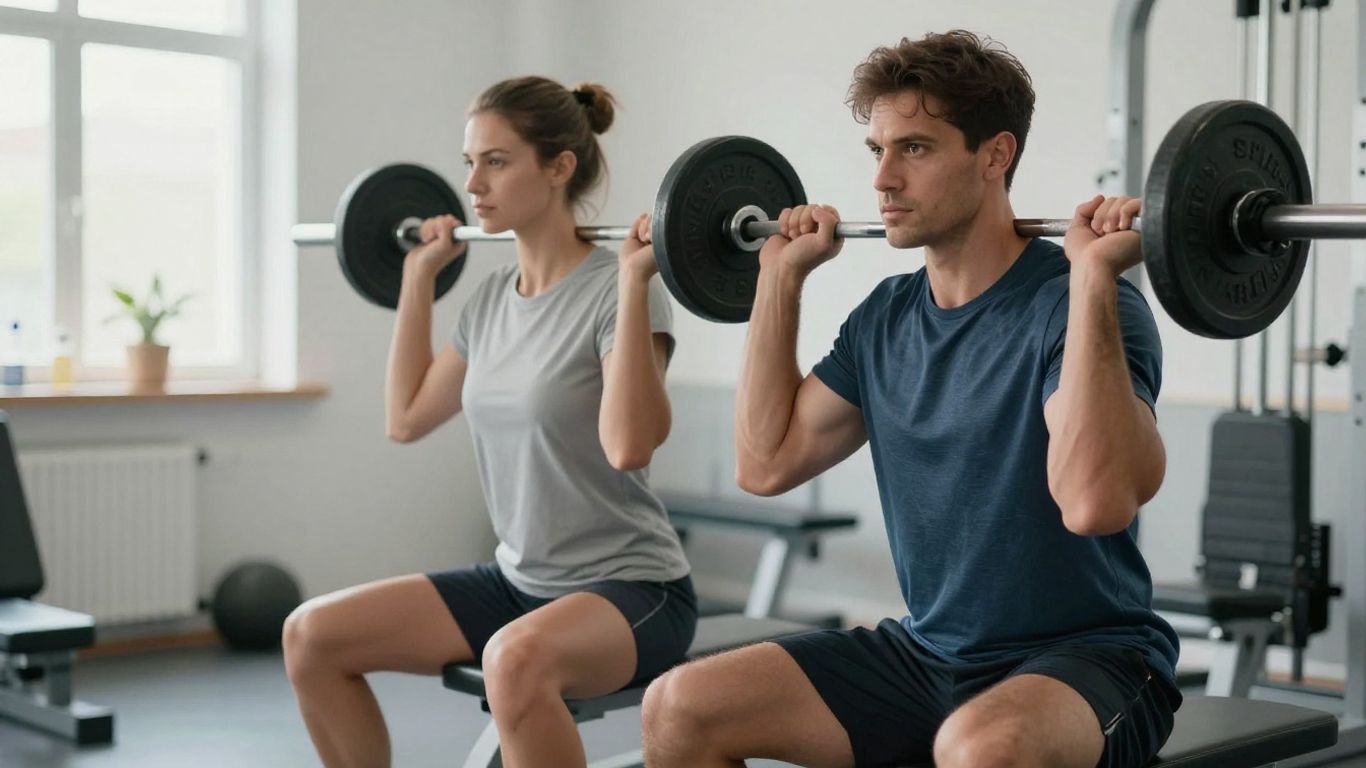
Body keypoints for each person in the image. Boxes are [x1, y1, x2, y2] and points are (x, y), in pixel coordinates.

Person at [641, 31, 1181, 768]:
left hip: (1091, 663)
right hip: (928, 653)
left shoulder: (1081, 308)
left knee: (980, 749)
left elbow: (1095, 502)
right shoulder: (886, 318)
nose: (883, 181)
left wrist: (1090, 280)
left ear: (995, 156)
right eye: (877, 151)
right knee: (680, 709)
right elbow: (766, 464)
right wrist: (777, 281)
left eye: (916, 149)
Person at [283, 76, 696, 768]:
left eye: (496, 162)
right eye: (469, 161)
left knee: (514, 661)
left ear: (559, 168)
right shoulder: (489, 301)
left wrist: (633, 282)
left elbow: (629, 447)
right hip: (517, 583)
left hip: (630, 590)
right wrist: (416, 281)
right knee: (312, 635)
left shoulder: (616, 290)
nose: (472, 183)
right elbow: (407, 419)